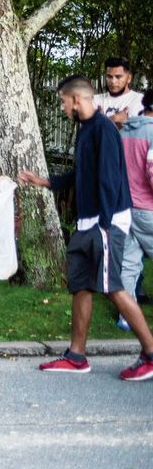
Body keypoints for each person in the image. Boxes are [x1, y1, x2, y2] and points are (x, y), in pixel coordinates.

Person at [18, 76, 153, 381]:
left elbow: (109, 179)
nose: (64, 108)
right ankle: (76, 356)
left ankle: (150, 353)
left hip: (105, 222)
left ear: (77, 99)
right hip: (88, 222)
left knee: (113, 287)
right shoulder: (87, 130)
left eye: (64, 102)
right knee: (81, 284)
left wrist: (104, 225)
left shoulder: (103, 130)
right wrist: (46, 182)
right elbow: (83, 173)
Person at [116, 88, 153, 329]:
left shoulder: (124, 131)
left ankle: (125, 317)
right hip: (148, 209)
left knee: (129, 263)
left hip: (125, 207)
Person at [97, 57, 144, 126]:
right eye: (109, 76)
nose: (113, 81)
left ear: (129, 78)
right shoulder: (96, 100)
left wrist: (101, 121)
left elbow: (134, 132)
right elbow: (89, 131)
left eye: (118, 77)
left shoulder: (139, 100)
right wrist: (115, 119)